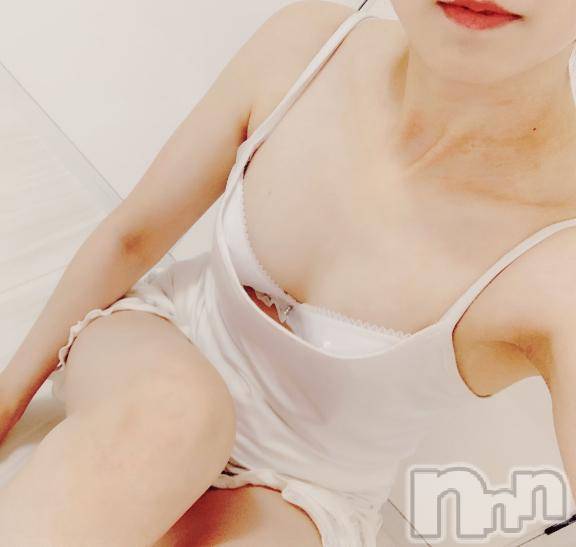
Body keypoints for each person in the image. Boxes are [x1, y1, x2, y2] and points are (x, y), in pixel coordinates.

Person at [2, 0, 576, 545]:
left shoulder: (560, 256)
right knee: (175, 415)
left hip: (304, 489)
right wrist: (7, 400)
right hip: (163, 344)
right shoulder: (310, 47)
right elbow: (132, 237)